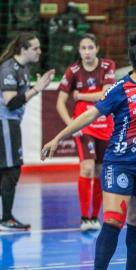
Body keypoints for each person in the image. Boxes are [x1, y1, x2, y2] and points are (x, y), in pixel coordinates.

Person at [41, 31, 136, 270]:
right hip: (120, 162)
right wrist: (58, 138)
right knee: (113, 221)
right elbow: (89, 114)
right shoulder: (120, 88)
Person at [56, 33, 116, 231]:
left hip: (104, 125)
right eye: (83, 48)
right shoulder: (73, 70)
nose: (87, 52)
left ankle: (93, 217)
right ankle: (84, 218)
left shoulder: (108, 66)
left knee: (100, 171)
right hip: (84, 127)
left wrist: (80, 95)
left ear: (97, 48)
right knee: (87, 168)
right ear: (79, 51)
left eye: (91, 47)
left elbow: (107, 94)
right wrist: (71, 126)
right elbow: (60, 103)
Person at [0, 32, 55, 231]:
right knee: (12, 169)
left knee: (8, 170)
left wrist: (36, 87)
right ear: (23, 49)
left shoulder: (23, 68)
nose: (39, 51)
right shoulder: (8, 68)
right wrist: (37, 89)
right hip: (4, 123)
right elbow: (11, 102)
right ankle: (6, 219)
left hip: (11, 122)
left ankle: (6, 217)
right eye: (35, 48)